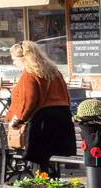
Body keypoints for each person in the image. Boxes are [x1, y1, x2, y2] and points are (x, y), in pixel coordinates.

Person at [7, 41, 73, 174]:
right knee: (47, 158)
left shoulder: (29, 74)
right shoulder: (54, 71)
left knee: (38, 160)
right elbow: (67, 96)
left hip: (42, 120)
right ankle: (51, 186)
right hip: (62, 117)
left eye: (14, 59)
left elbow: (28, 100)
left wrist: (19, 120)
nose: (14, 63)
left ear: (23, 58)